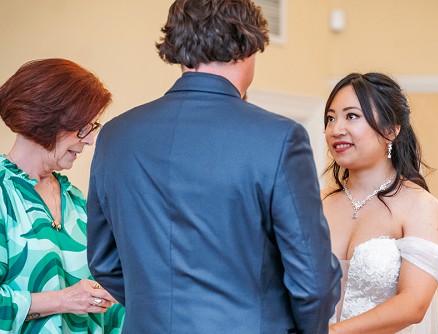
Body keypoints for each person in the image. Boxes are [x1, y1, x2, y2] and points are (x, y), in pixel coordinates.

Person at [86, 0, 342, 333]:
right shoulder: (279, 138)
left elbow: (104, 263)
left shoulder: (116, 136)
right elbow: (313, 283)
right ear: (249, 47)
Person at [321, 72, 438, 333]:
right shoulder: (317, 201)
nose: (336, 130)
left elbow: (413, 304)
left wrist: (332, 332)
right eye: (330, 118)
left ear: (391, 130)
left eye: (351, 116)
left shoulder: (419, 205)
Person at [0, 58, 124, 333]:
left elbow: (111, 312)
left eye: (93, 127)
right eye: (84, 127)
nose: (90, 139)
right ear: (45, 119)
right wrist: (62, 300)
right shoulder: (2, 193)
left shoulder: (77, 201)